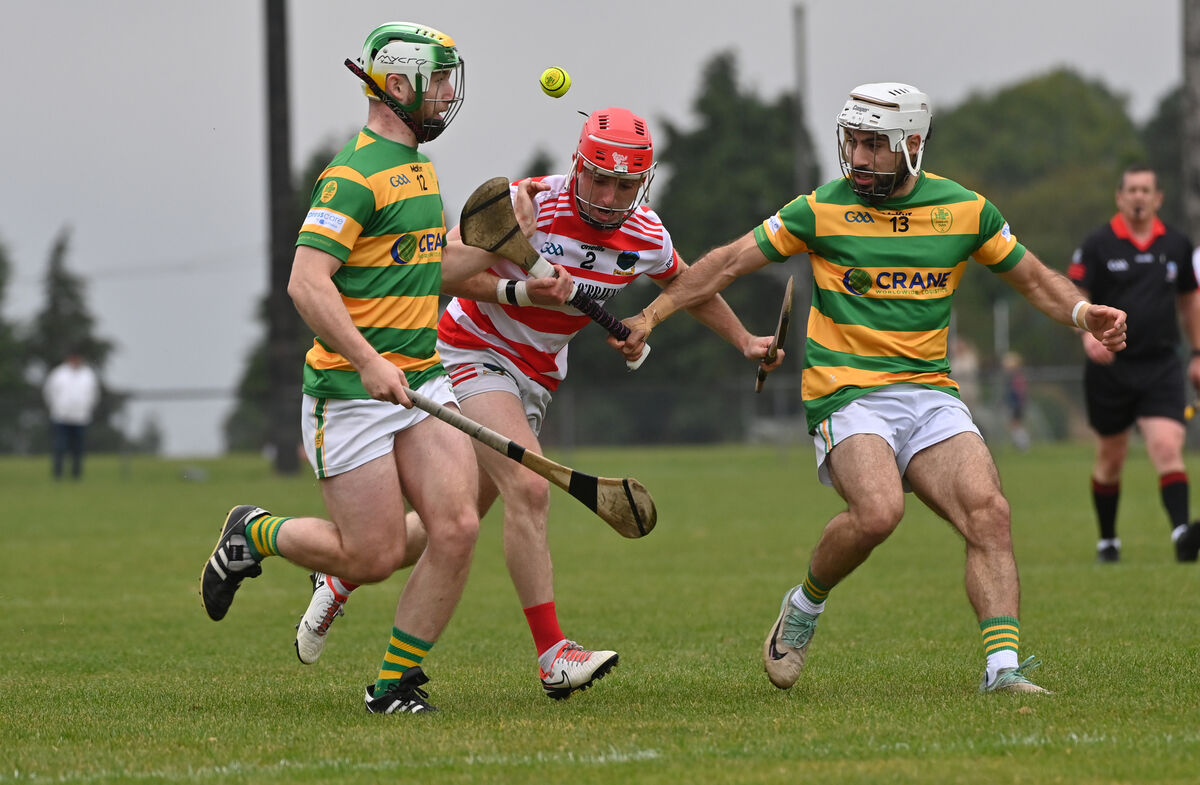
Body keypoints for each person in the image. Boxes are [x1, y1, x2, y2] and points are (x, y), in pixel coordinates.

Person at [617, 82, 1129, 695]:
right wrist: (651, 317)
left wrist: (1082, 314)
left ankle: (1002, 672)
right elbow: (725, 263)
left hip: (930, 391)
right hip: (846, 389)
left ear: (911, 145)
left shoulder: (965, 211)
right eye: (851, 143)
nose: (857, 158)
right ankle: (805, 604)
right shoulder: (819, 209)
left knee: (989, 513)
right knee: (880, 512)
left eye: (873, 145)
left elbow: (1037, 279)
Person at [292, 106, 782, 699]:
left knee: (452, 522)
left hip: (537, 380)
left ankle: (340, 578)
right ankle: (552, 655)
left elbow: (687, 286)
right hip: (468, 351)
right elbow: (439, 272)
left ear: (643, 183)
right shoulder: (526, 204)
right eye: (598, 179)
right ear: (577, 165)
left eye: (624, 185)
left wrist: (729, 337)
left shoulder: (646, 234)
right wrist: (521, 289)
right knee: (529, 487)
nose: (607, 195)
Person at [200, 22, 556, 715]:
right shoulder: (353, 175)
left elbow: (429, 270)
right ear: (398, 85)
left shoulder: (419, 169)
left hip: (419, 380)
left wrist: (499, 251)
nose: (450, 94)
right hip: (350, 393)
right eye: (440, 79)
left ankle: (394, 685)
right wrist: (366, 361)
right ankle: (254, 532)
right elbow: (307, 282)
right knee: (372, 555)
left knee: (455, 526)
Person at [1069, 165, 1200, 564]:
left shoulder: (1177, 244)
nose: (1139, 197)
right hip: (1111, 368)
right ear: (1120, 197)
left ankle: (1181, 533)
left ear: (1158, 198)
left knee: (1165, 444)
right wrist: (1088, 335)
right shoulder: (1097, 244)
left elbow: (1190, 301)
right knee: (1111, 456)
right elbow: (1075, 292)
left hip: (1161, 364)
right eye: (1132, 190)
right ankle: (1108, 540)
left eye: (1146, 190)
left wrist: (1197, 354)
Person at [43, 350, 100, 480]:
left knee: (78, 448)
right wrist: (56, 407)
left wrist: (87, 407)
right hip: (61, 416)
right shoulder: (58, 374)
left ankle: (76, 475)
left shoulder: (88, 375)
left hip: (81, 417)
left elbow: (94, 394)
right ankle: (58, 474)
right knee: (60, 446)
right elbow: (49, 392)